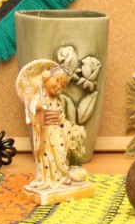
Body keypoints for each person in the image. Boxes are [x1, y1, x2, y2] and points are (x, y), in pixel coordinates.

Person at [23, 63, 88, 191]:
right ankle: (48, 179)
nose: (59, 86)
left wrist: (68, 126)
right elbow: (32, 110)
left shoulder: (58, 101)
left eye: (63, 86)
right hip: (45, 135)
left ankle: (59, 177)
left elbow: (61, 119)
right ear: (46, 77)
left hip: (57, 135)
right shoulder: (39, 97)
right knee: (47, 157)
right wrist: (39, 107)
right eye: (57, 80)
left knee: (60, 155)